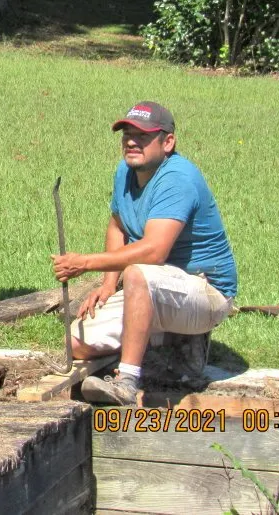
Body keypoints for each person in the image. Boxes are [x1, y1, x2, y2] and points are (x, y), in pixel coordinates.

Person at [51, 102, 237, 406]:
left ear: (168, 142)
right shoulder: (125, 171)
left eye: (142, 136)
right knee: (76, 344)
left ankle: (126, 381)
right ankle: (152, 344)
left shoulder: (177, 178)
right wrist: (108, 285)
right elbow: (117, 226)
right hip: (155, 287)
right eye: (127, 134)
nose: (131, 142)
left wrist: (84, 262)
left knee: (139, 273)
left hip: (205, 293)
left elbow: (153, 251)